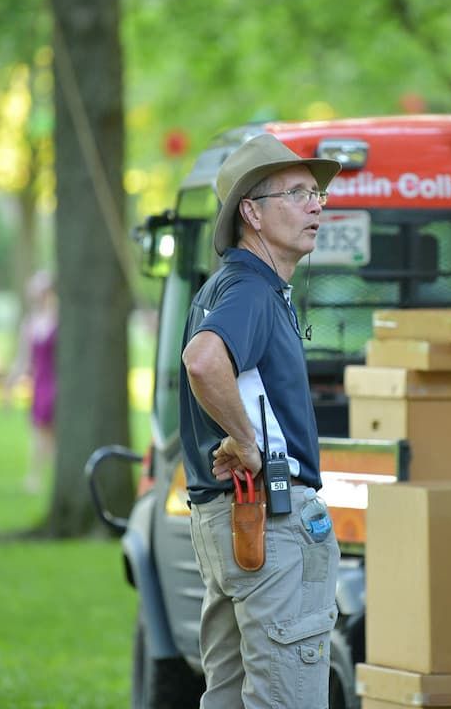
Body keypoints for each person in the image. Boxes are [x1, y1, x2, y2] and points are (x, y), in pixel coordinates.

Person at [178, 133, 341, 708]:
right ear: (251, 211)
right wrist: (249, 443)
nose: (316, 205)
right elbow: (202, 360)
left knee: (225, 697)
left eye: (316, 192)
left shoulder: (230, 285)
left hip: (236, 524)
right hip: (268, 520)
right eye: (297, 193)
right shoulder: (250, 286)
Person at [4, 270, 58, 493]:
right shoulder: (31, 323)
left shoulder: (59, 318)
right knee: (40, 430)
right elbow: (23, 358)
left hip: (57, 381)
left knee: (51, 431)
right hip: (40, 381)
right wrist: (10, 385)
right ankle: (36, 476)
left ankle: (41, 476)